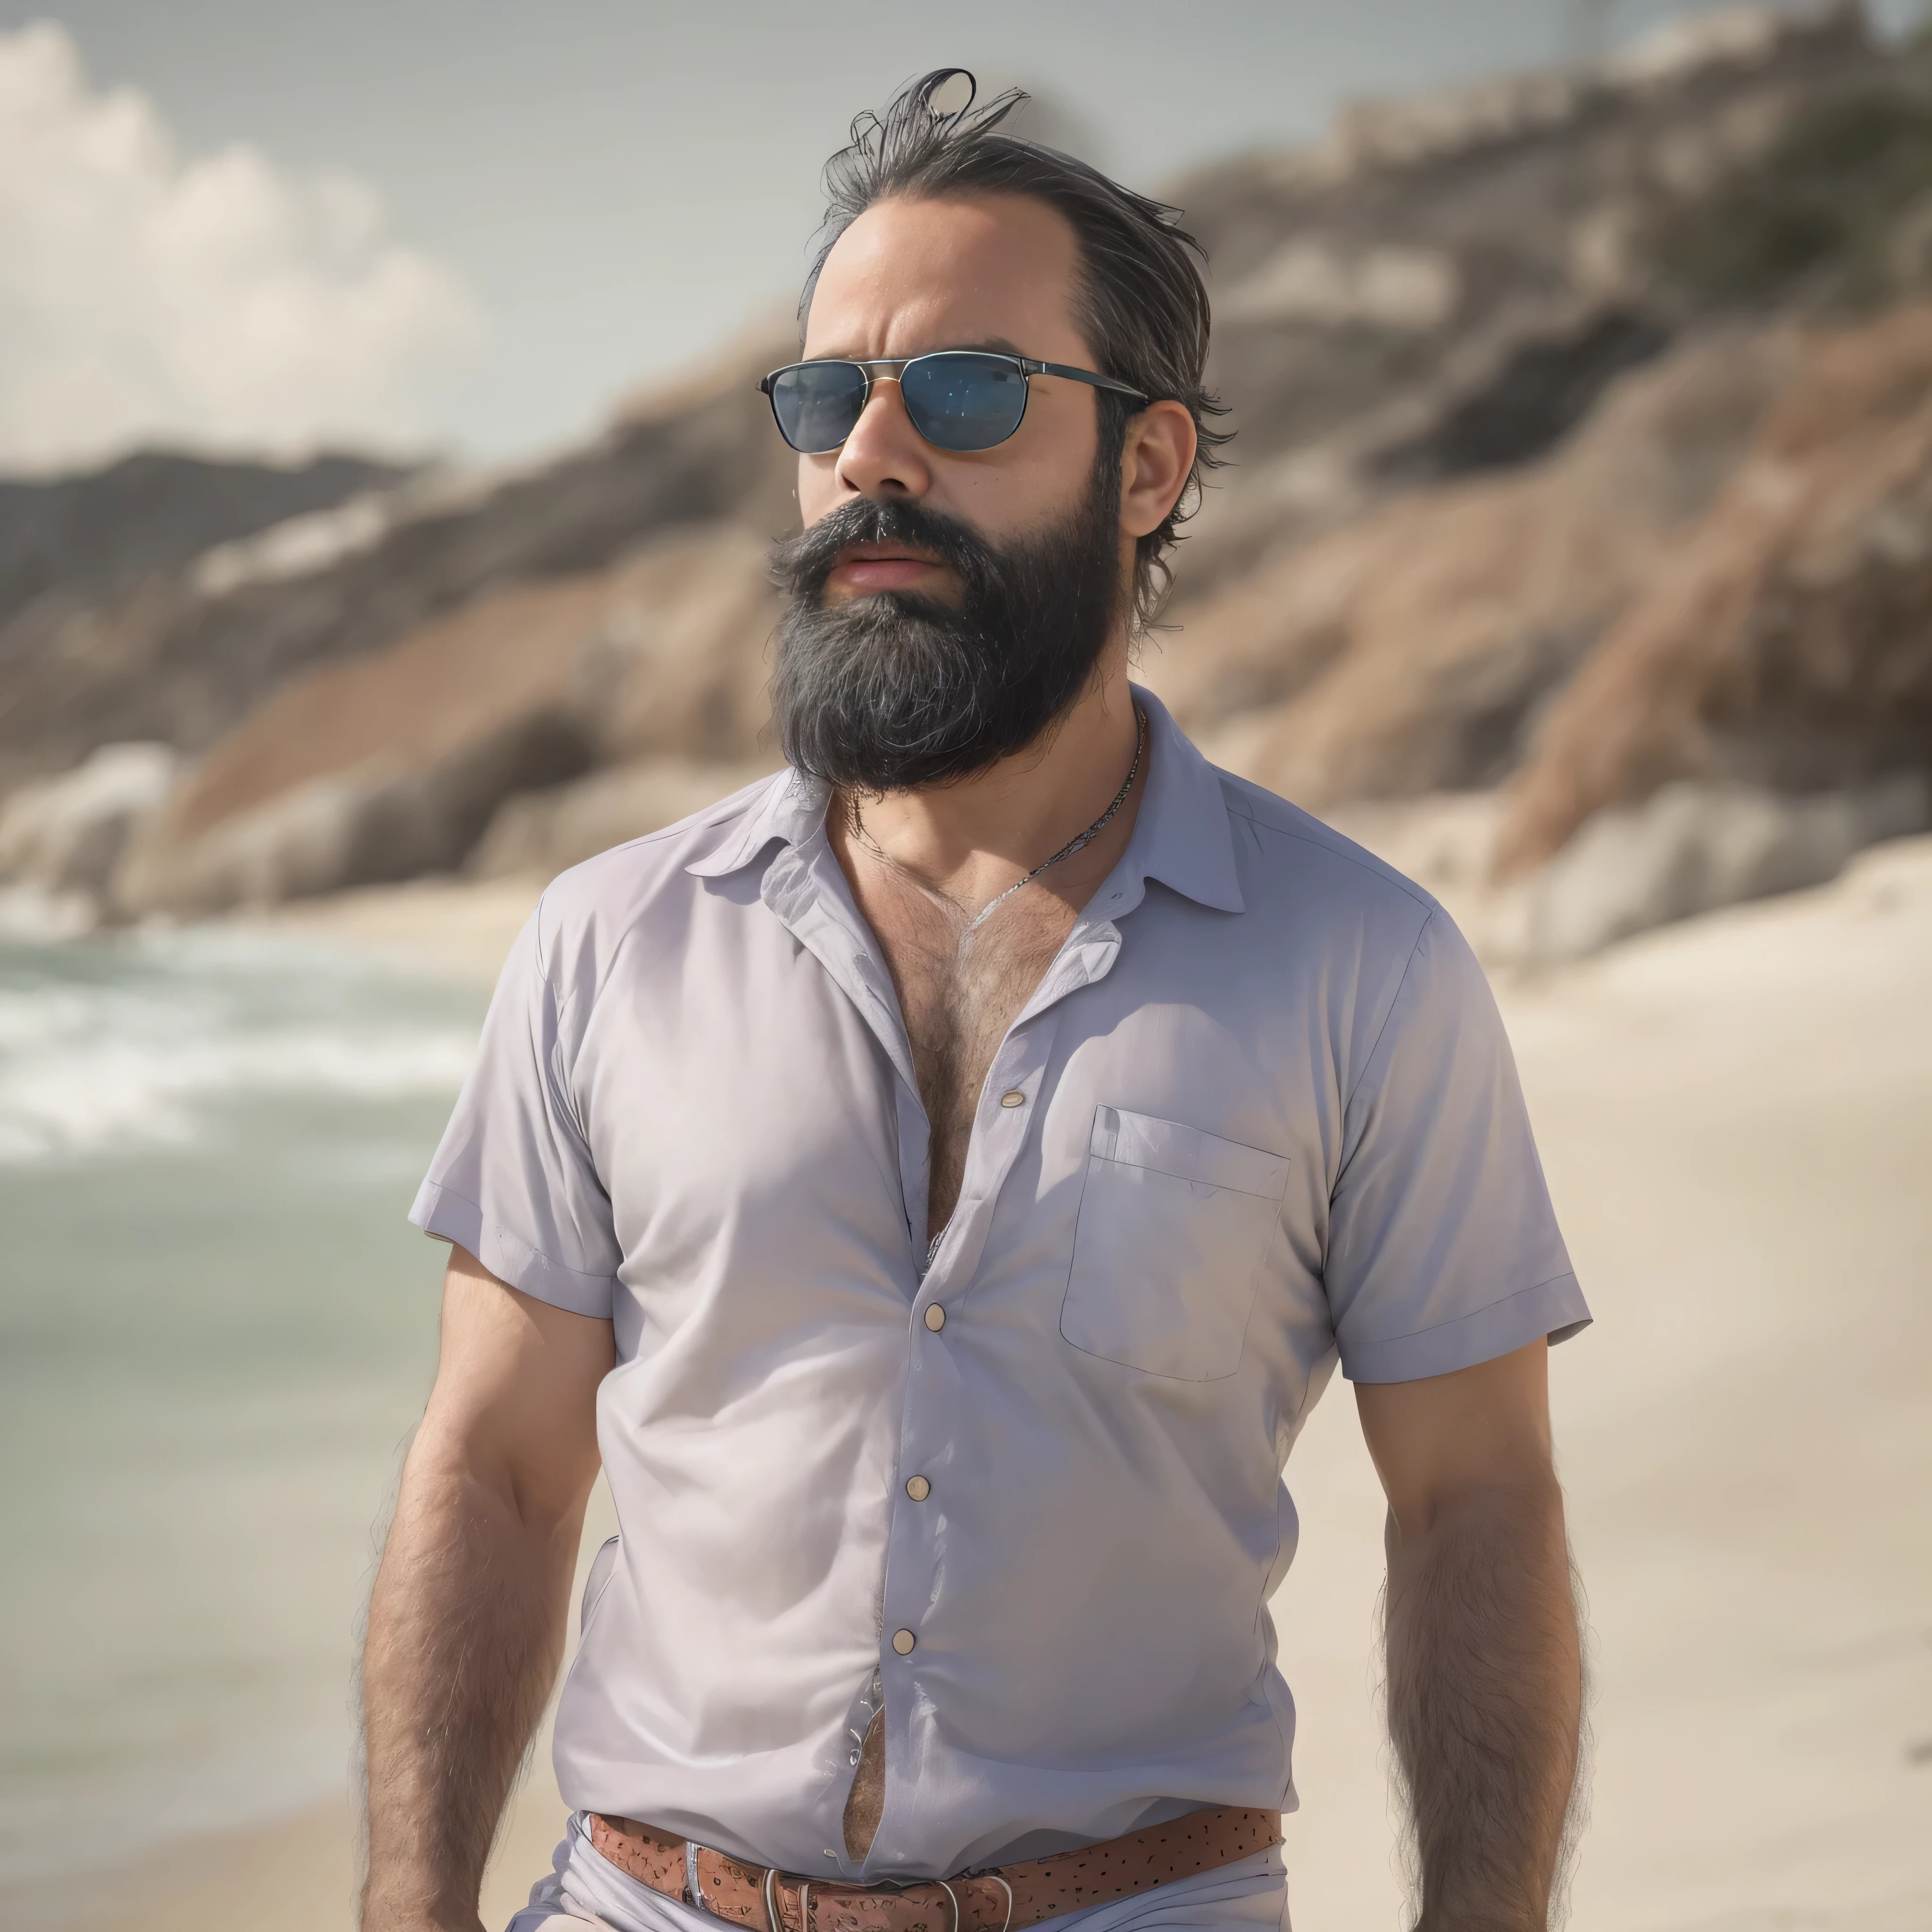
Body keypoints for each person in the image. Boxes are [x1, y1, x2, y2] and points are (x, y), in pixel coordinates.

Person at [360, 71, 1590, 1932]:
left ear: (1150, 465)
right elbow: (499, 1460)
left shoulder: (1362, 964)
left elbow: (1476, 1498)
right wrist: (410, 1898)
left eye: (961, 392)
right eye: (824, 396)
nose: (872, 452)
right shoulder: (607, 944)